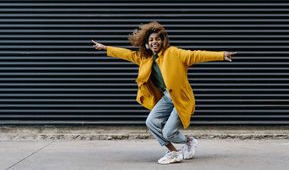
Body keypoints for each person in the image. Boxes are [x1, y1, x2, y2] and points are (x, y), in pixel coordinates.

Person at [91, 21, 237, 165]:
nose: (155, 42)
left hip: (181, 98)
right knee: (150, 122)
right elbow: (127, 54)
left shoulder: (173, 53)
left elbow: (196, 55)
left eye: (158, 39)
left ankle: (189, 141)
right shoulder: (145, 58)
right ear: (147, 43)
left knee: (168, 133)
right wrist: (105, 48)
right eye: (151, 40)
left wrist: (221, 55)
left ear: (163, 41)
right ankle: (173, 152)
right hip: (167, 97)